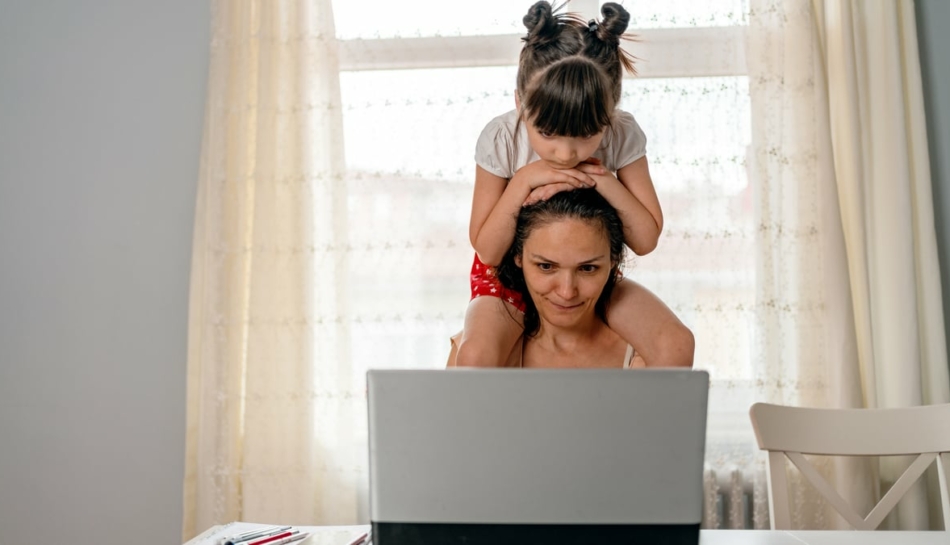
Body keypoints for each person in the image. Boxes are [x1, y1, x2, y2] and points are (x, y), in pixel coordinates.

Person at [454, 1, 693, 368]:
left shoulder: (622, 133)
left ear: (610, 113)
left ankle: (641, 426)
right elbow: (487, 250)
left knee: (674, 342)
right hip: (504, 281)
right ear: (521, 105)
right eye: (547, 133)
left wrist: (604, 180)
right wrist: (523, 181)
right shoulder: (502, 137)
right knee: (476, 355)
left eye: (584, 135)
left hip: (586, 271)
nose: (565, 153)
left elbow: (645, 240)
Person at [450, 188, 692, 368]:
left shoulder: (644, 356)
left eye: (587, 269)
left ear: (613, 261)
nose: (567, 292)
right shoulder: (478, 354)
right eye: (546, 266)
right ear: (518, 257)